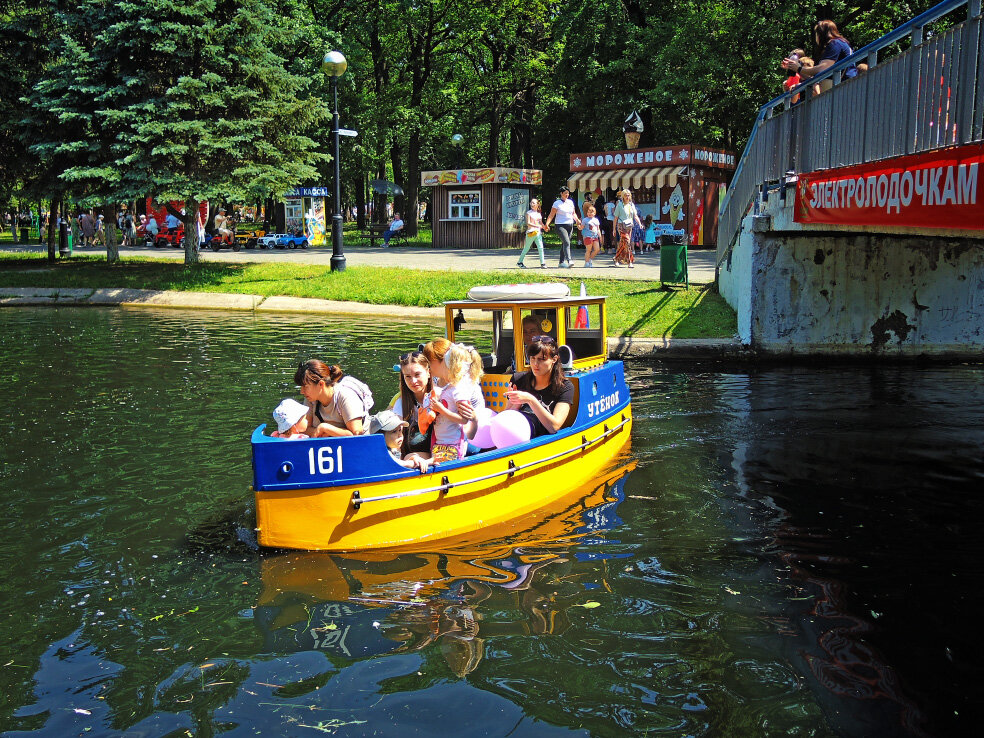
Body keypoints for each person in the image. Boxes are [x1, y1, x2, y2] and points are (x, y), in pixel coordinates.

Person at [422, 339, 485, 463]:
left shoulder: (459, 387)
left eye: (429, 362)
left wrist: (441, 410)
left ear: (444, 361)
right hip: (441, 438)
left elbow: (464, 421)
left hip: (464, 438)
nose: (427, 366)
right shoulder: (437, 381)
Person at [505, 335, 575, 438]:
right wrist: (516, 403)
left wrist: (530, 400)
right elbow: (506, 418)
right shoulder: (518, 379)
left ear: (554, 359)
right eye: (532, 358)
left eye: (541, 359)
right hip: (513, 433)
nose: (535, 364)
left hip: (540, 441)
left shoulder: (565, 387)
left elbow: (554, 427)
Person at [294, 359, 370, 437]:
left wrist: (325, 428)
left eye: (305, 386)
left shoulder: (345, 396)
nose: (302, 392)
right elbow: (303, 429)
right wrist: (322, 432)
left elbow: (356, 434)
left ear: (321, 384)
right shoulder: (311, 398)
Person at [782, 19, 857, 93]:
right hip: (847, 85)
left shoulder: (834, 43)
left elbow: (821, 69)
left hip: (844, 88)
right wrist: (795, 69)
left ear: (820, 33)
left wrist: (799, 69)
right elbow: (817, 75)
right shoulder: (841, 43)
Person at [393, 350, 435, 463]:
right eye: (408, 376)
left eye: (417, 374)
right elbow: (394, 437)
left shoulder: (440, 397)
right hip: (413, 456)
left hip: (442, 451)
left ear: (428, 372)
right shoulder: (401, 403)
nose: (413, 381)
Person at [544, 186, 580, 268]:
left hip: (570, 225)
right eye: (565, 193)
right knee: (567, 242)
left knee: (565, 243)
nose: (567, 195)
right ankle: (569, 260)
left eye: (568, 193)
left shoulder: (570, 202)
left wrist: (577, 220)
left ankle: (561, 262)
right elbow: (551, 215)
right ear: (561, 193)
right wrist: (547, 224)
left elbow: (573, 213)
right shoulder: (557, 203)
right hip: (560, 225)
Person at [613, 189, 643, 268]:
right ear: (622, 196)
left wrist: (640, 224)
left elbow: (635, 216)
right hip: (621, 225)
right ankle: (630, 261)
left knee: (622, 243)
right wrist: (614, 229)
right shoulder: (620, 205)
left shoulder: (631, 205)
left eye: (629, 195)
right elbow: (615, 218)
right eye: (626, 195)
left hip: (629, 226)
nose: (627, 197)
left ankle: (616, 258)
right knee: (627, 242)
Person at [517, 198, 548, 268]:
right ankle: (519, 262)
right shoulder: (528, 213)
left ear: (537, 204)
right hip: (531, 233)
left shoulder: (539, 214)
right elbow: (528, 223)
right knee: (526, 248)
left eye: (534, 203)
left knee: (541, 247)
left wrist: (545, 228)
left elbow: (541, 223)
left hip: (538, 233)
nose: (532, 204)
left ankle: (543, 263)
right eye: (531, 203)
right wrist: (538, 226)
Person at [578, 201, 602, 267]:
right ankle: (586, 262)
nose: (589, 213)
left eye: (591, 212)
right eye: (588, 212)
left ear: (594, 213)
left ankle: (590, 259)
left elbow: (598, 229)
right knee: (588, 250)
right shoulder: (585, 220)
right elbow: (581, 227)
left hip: (595, 236)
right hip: (588, 236)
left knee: (597, 249)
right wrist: (578, 225)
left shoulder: (596, 220)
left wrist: (600, 237)